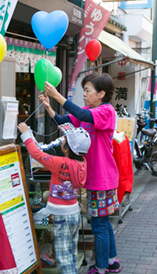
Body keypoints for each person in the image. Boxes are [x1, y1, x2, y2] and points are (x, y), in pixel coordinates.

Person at [39, 73, 121, 274]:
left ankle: (101, 268)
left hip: (102, 177)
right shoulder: (88, 110)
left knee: (100, 223)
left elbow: (84, 117)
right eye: (83, 90)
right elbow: (64, 121)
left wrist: (58, 96)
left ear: (101, 94)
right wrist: (49, 106)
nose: (84, 95)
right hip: (95, 177)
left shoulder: (106, 111)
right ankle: (112, 261)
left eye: (87, 90)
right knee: (103, 221)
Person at [17, 122, 91, 274]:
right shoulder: (82, 163)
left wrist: (25, 134)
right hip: (74, 213)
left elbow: (37, 154)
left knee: (63, 259)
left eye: (63, 140)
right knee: (70, 252)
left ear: (65, 149)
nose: (61, 141)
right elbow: (74, 142)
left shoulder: (60, 163)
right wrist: (66, 130)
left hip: (61, 216)